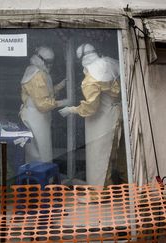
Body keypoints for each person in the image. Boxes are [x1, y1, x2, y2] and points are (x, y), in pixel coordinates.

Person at [59, 43, 121, 186]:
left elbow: (91, 107)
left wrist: (71, 110)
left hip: (101, 121)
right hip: (116, 115)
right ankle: (115, 189)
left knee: (98, 157)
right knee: (113, 155)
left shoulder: (91, 77)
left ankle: (98, 194)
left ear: (81, 58)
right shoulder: (109, 62)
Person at [20, 46, 67, 163]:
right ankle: (41, 180)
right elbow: (43, 104)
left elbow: (45, 92)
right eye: (49, 62)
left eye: (52, 62)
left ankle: (38, 179)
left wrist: (61, 85)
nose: (51, 65)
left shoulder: (36, 70)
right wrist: (64, 102)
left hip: (36, 117)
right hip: (36, 117)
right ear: (41, 60)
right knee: (41, 154)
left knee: (38, 152)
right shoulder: (37, 75)